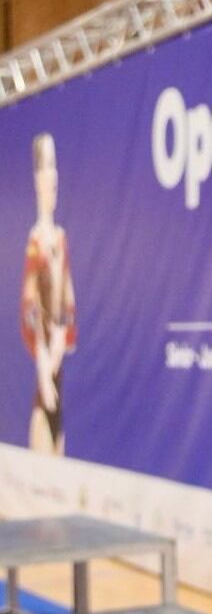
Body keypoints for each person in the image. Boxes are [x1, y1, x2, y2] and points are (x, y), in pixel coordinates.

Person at [21, 133, 75, 456]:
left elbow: (68, 299)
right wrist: (42, 358)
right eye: (45, 166)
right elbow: (29, 304)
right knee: (42, 426)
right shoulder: (35, 241)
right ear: (36, 178)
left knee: (58, 438)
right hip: (45, 358)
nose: (51, 175)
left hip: (57, 357)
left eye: (54, 166)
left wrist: (61, 338)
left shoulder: (61, 238)